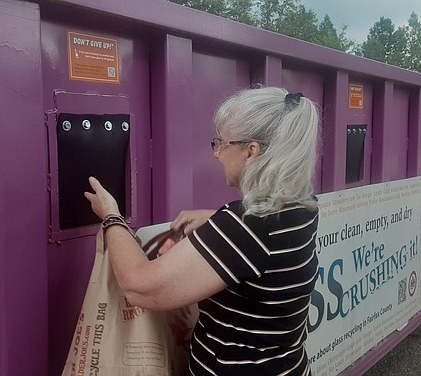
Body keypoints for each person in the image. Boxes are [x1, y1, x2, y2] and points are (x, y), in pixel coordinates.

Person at [84, 86, 321, 375]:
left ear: (251, 152)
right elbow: (267, 252)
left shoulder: (245, 226)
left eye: (222, 143)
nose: (217, 154)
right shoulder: (302, 206)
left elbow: (139, 287)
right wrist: (213, 222)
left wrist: (110, 216)